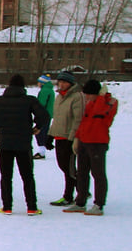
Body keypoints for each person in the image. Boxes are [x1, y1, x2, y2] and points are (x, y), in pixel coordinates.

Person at [0, 74, 50, 215]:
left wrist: (2, 123)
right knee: (27, 176)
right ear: (23, 86)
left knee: (6, 176)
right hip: (23, 144)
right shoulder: (29, 100)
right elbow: (44, 115)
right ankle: (32, 207)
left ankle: (7, 207)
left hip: (4, 144)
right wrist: (37, 127)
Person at [64, 79, 118, 216]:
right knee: (81, 173)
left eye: (89, 95)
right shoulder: (90, 103)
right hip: (84, 141)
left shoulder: (109, 102)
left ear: (96, 93)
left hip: (98, 143)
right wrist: (77, 138)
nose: (86, 98)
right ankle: (80, 202)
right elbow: (84, 121)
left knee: (98, 173)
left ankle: (99, 204)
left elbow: (99, 114)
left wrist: (100, 97)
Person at [46, 70, 84, 206]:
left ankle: (71, 194)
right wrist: (50, 135)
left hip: (69, 138)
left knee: (69, 169)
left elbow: (77, 120)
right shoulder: (59, 97)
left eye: (64, 82)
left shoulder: (76, 97)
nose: (61, 84)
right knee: (63, 166)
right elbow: (56, 119)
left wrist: (72, 138)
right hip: (59, 136)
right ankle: (81, 188)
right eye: (60, 82)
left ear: (70, 83)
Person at [33, 73, 55, 159]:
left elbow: (41, 104)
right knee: (43, 132)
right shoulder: (50, 90)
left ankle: (41, 152)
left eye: (39, 82)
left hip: (43, 115)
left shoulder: (44, 91)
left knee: (39, 132)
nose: (37, 83)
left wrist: (36, 113)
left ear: (42, 82)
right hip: (48, 114)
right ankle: (43, 150)